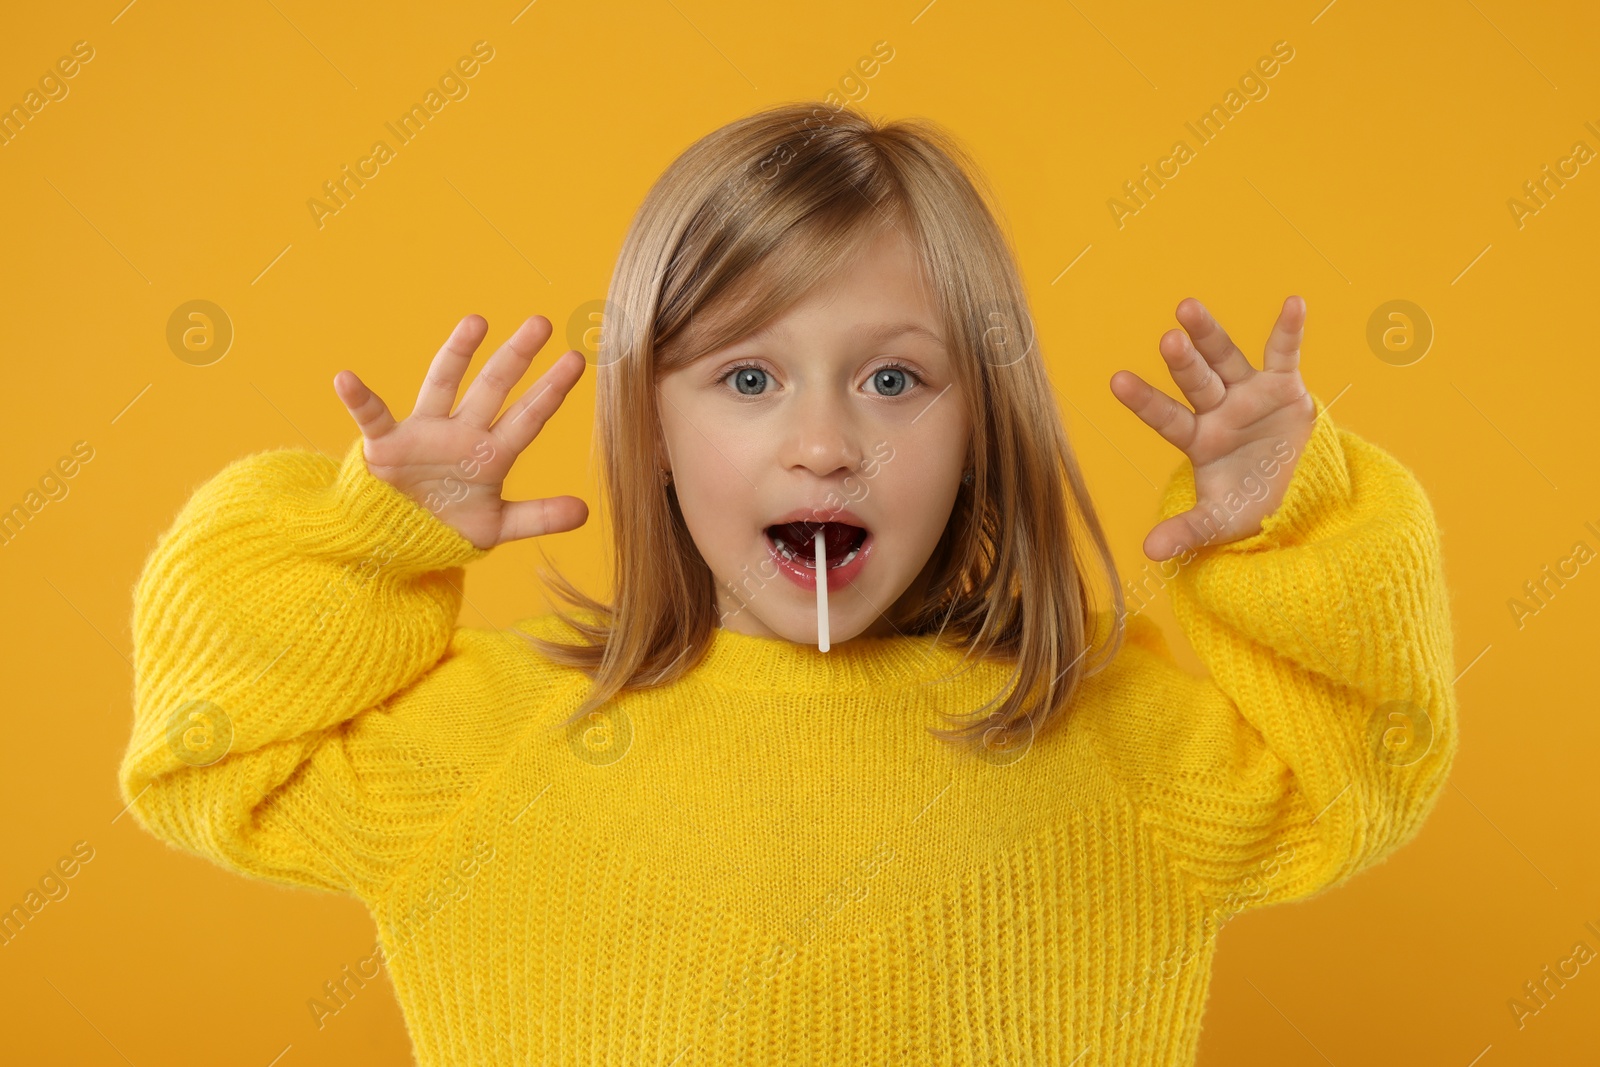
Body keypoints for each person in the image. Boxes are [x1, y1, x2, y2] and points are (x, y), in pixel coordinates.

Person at [118, 101, 1457, 1066]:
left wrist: (1298, 524)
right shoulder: (483, 746)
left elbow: (1374, 763)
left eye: (893, 379)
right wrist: (368, 542)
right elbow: (203, 759)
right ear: (648, 428)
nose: (825, 440)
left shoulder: (1120, 737)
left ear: (983, 425)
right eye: (748, 379)